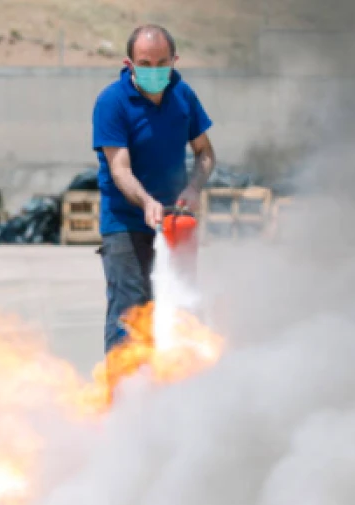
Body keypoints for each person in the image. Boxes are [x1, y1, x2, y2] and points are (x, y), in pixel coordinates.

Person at [92, 24, 216, 353]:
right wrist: (146, 201)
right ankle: (127, 395)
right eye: (145, 64)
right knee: (132, 314)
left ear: (175, 60)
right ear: (129, 63)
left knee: (183, 304)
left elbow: (205, 153)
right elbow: (120, 168)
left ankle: (178, 388)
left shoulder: (183, 95)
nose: (154, 71)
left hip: (177, 220)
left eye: (162, 63)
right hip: (126, 222)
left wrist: (193, 188)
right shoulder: (112, 102)